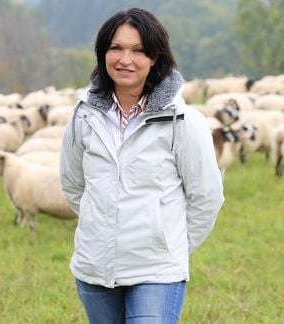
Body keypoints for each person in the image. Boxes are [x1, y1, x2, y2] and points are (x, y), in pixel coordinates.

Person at [59, 8, 224, 323]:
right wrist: (100, 227)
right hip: (95, 266)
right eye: (116, 48)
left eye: (138, 50)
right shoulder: (83, 115)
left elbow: (206, 196)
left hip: (156, 269)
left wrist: (170, 246)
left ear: (155, 58)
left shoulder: (183, 121)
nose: (125, 59)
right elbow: (72, 182)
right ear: (102, 54)